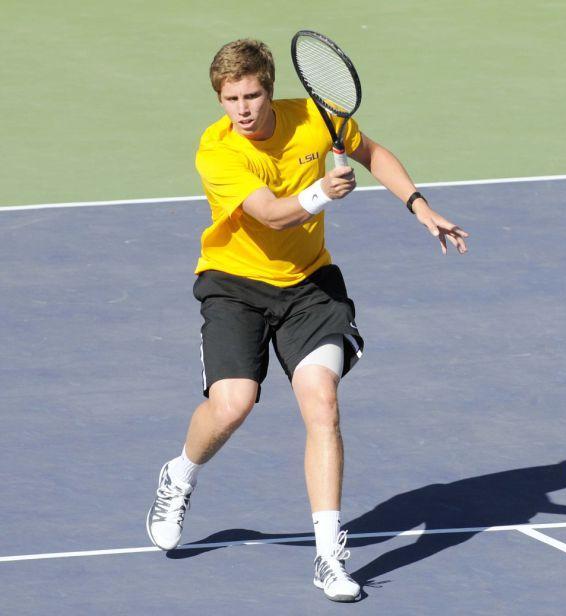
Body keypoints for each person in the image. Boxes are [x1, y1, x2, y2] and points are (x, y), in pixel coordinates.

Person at [146, 38, 469, 602]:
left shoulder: (315, 118)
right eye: (230, 98)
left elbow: (373, 153)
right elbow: (271, 215)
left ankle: (328, 557)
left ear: (271, 90)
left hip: (310, 287)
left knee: (321, 399)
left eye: (251, 95)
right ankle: (180, 475)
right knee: (234, 403)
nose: (242, 109)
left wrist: (419, 206)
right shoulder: (217, 150)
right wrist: (322, 191)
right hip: (235, 286)